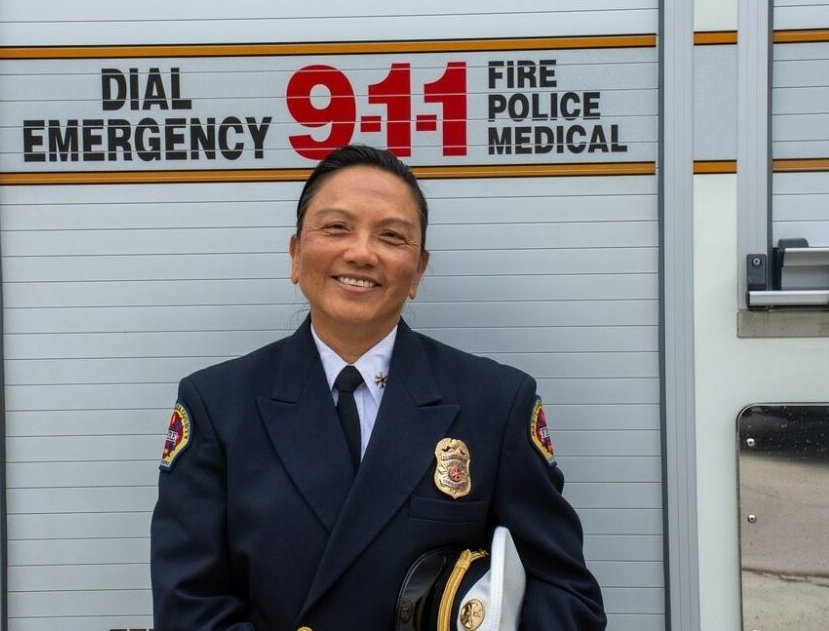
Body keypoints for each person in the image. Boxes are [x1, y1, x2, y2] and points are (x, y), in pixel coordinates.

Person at [151, 145, 606, 631]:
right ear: (295, 254)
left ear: (419, 270)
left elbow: (565, 595)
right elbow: (188, 607)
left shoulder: (495, 403)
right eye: (336, 227)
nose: (361, 253)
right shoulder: (218, 406)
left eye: (391, 236)